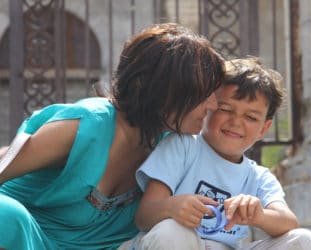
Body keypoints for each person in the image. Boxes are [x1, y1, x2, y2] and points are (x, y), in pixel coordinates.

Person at [0, 23, 225, 250]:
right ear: (165, 89)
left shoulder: (174, 146)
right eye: (204, 93)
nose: (214, 105)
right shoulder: (88, 124)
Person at [131, 58, 311, 250]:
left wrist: (259, 215)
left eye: (250, 117)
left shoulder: (259, 177)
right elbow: (144, 215)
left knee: (304, 240)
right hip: (178, 242)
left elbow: (288, 222)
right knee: (171, 231)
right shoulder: (182, 146)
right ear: (208, 107)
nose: (236, 121)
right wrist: (171, 207)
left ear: (264, 129)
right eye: (225, 109)